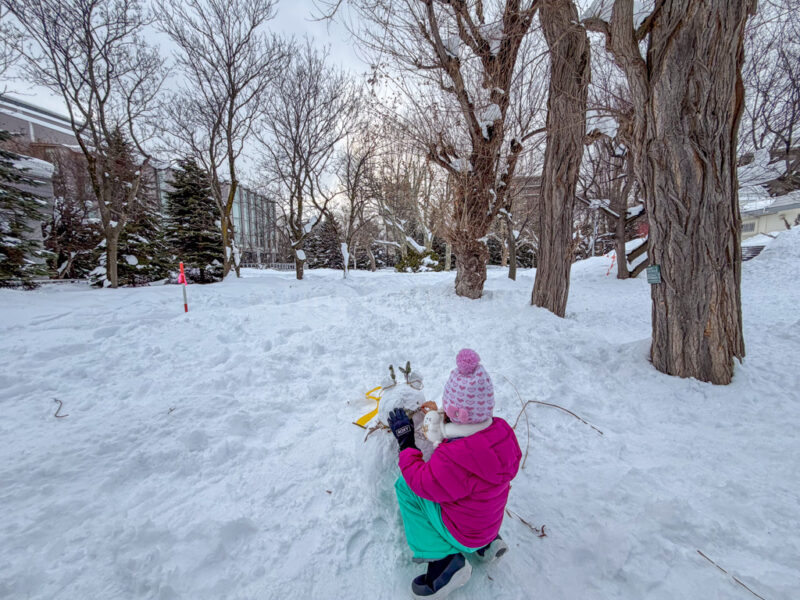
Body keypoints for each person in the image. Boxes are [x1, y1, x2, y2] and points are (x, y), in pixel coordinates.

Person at [388, 348, 522, 599]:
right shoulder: (503, 433)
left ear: (456, 414)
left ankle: (444, 564)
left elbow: (421, 482)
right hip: (487, 525)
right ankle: (487, 544)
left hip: (462, 533)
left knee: (405, 487)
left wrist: (407, 444)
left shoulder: (454, 457)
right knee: (481, 494)